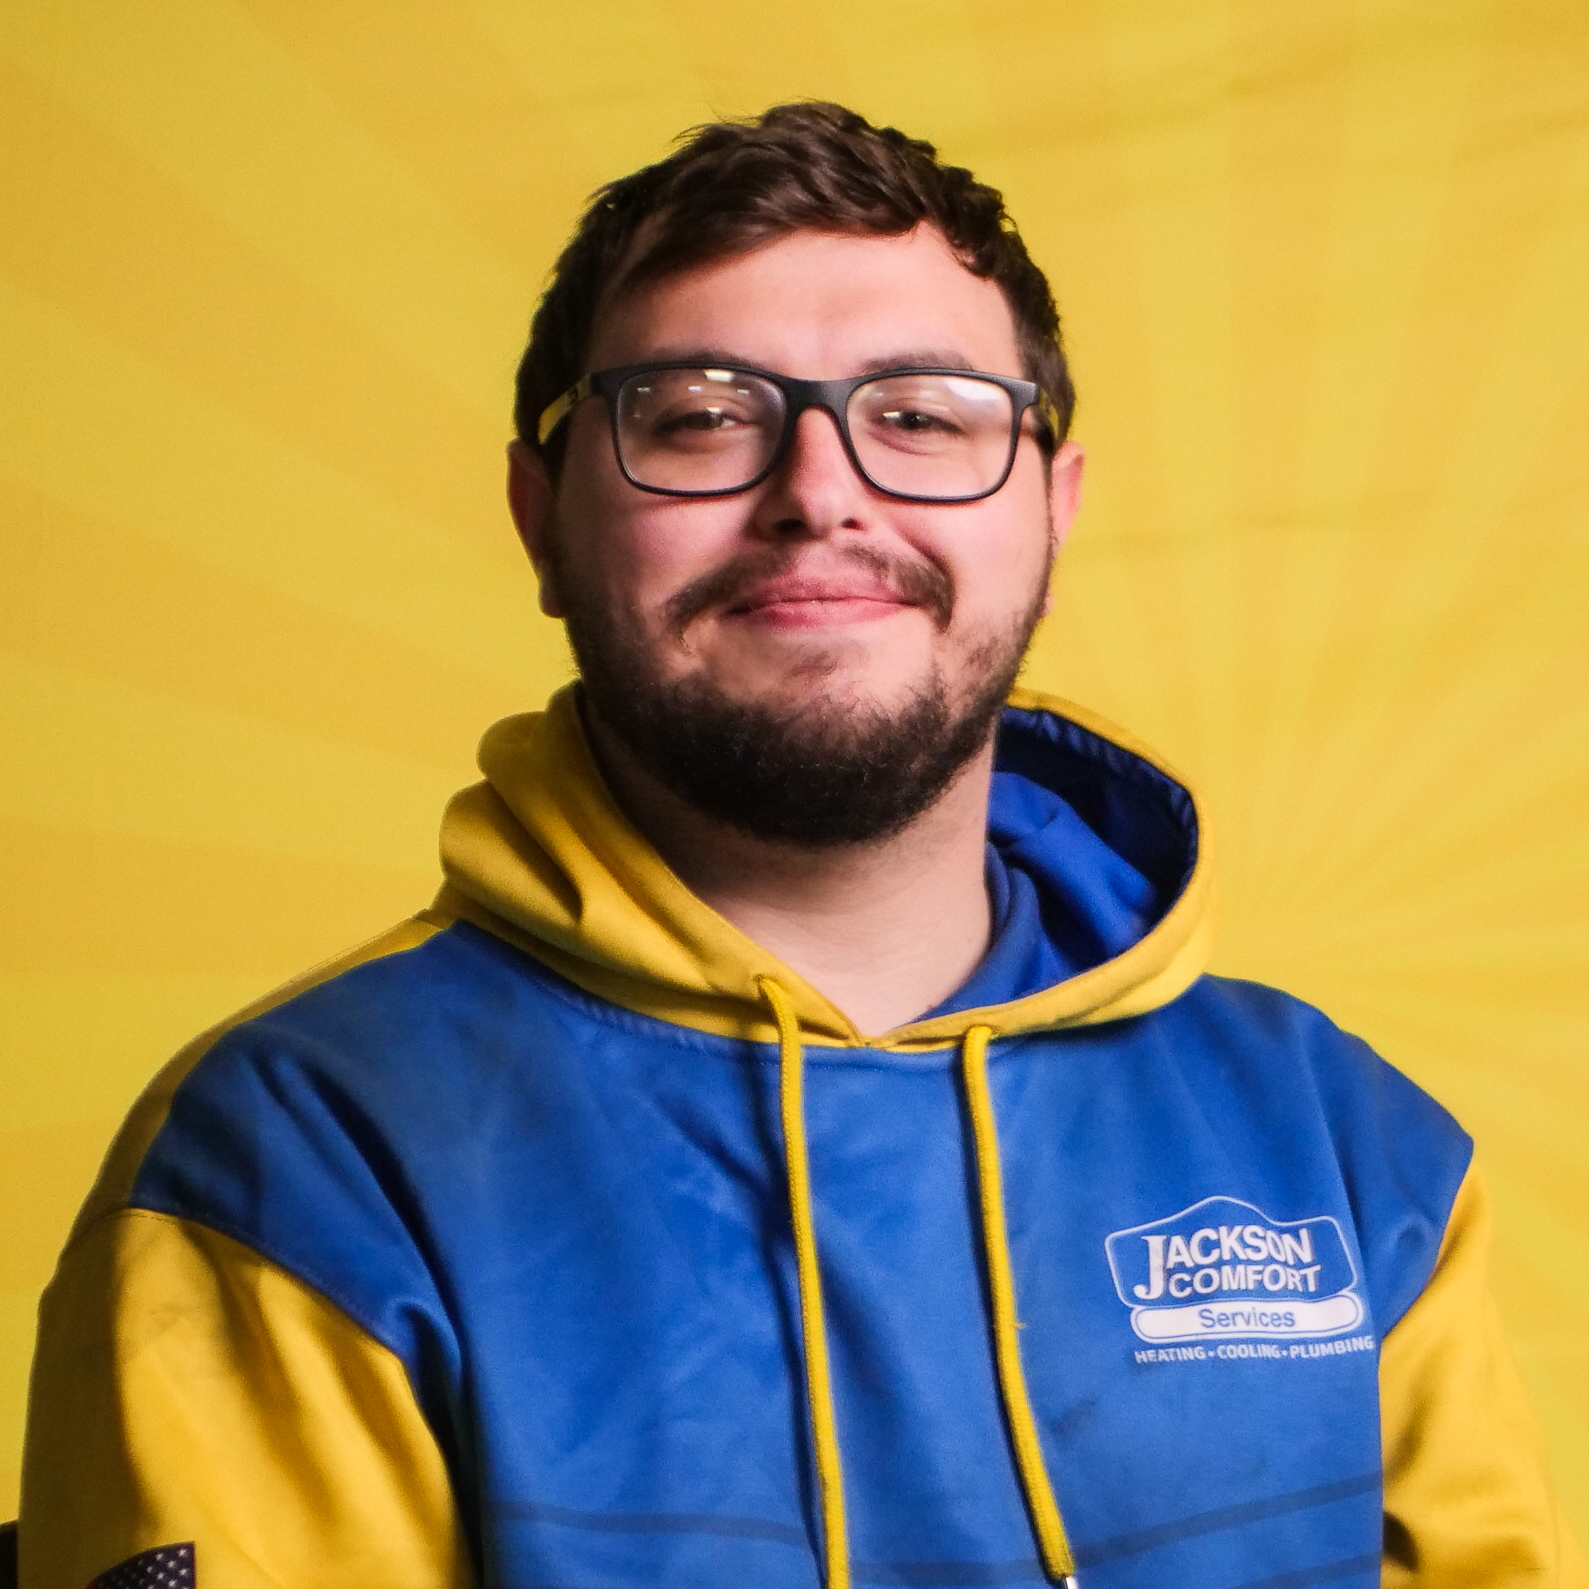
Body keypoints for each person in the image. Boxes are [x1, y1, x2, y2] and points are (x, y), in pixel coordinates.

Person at [19, 102, 1583, 1589]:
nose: (819, 494)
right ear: (539, 519)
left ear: (1051, 505)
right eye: (700, 419)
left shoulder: (1348, 1148)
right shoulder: (297, 1163)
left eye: (922, 415)